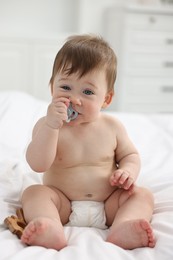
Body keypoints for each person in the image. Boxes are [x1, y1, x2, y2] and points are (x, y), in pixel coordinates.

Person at [21, 34, 155, 250]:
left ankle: (124, 226)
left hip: (110, 203)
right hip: (62, 204)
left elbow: (131, 156)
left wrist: (128, 172)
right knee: (34, 193)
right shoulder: (47, 125)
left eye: (87, 91)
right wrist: (52, 127)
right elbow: (38, 164)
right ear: (52, 88)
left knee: (142, 195)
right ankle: (50, 226)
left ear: (106, 99)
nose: (75, 99)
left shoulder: (112, 127)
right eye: (65, 88)